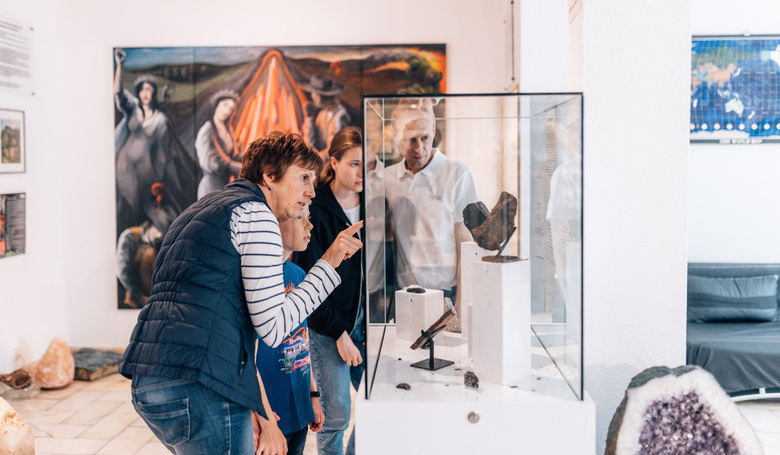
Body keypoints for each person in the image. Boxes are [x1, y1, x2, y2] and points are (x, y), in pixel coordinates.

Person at [119, 131, 363, 455]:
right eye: (303, 177)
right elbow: (273, 329)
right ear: (270, 175)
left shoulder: (200, 210)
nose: (311, 191)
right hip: (200, 383)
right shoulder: (257, 213)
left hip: (149, 379)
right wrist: (329, 262)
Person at [292, 126, 364, 455]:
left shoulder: (375, 203)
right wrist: (339, 332)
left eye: (368, 164)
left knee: (379, 408)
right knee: (336, 417)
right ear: (333, 162)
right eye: (354, 164)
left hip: (369, 323)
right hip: (327, 327)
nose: (362, 172)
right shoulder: (315, 209)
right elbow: (310, 285)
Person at [383, 100, 479, 317]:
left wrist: (462, 303)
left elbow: (466, 243)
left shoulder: (459, 174)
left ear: (434, 131)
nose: (419, 148)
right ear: (397, 138)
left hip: (447, 293)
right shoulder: (388, 177)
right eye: (410, 140)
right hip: (405, 293)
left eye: (425, 138)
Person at [256, 204, 325, 455]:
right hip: (269, 412)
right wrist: (261, 414)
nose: (309, 226)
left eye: (308, 218)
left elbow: (301, 342)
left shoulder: (298, 273)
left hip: (299, 406)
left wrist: (312, 395)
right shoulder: (256, 278)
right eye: (299, 218)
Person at [113, 48, 182, 235]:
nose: (145, 93)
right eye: (142, 89)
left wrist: (160, 174)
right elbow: (118, 92)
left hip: (146, 171)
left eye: (149, 90)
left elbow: (162, 150)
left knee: (144, 204)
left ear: (154, 94)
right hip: (125, 167)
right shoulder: (132, 108)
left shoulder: (160, 119)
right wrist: (119, 65)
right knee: (126, 204)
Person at [196, 89, 244, 199]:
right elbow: (214, 161)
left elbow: (233, 155)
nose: (227, 110)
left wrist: (252, 159)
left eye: (231, 109)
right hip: (211, 186)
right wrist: (241, 169)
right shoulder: (208, 130)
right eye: (225, 105)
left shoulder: (228, 130)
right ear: (217, 106)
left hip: (225, 185)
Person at [301, 75, 350, 156]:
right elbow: (310, 145)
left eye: (314, 93)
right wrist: (309, 118)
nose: (312, 96)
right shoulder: (321, 115)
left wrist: (313, 160)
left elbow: (333, 151)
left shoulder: (340, 116)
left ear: (320, 97)